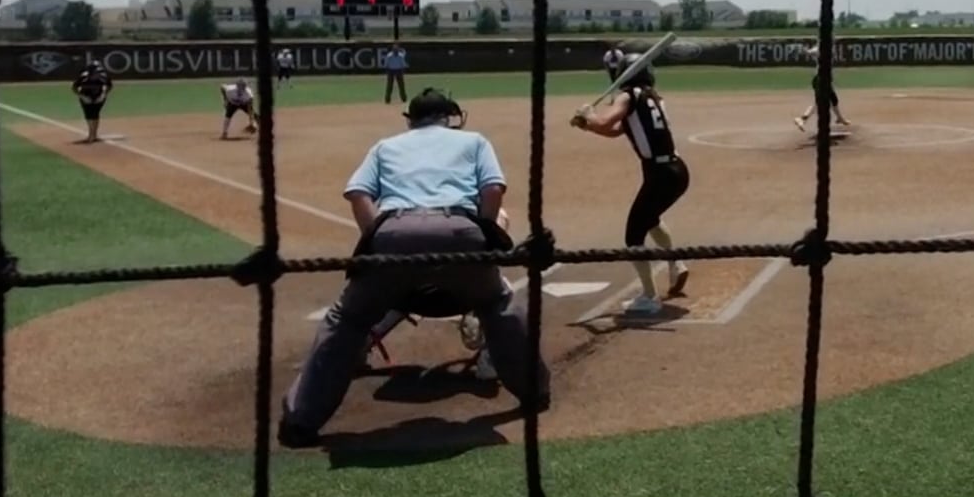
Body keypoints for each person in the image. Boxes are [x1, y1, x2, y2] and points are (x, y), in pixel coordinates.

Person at [277, 88, 550, 448]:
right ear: (449, 117)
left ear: (411, 120)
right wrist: (484, 242)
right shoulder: (473, 141)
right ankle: (534, 391)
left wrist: (376, 240)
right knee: (497, 304)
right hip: (459, 231)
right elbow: (493, 191)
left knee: (348, 319)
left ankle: (301, 420)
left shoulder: (385, 146)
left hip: (394, 232)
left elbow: (357, 194)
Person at [570, 66, 691, 320]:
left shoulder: (628, 97)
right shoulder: (652, 99)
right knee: (650, 219)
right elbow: (615, 130)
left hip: (661, 174)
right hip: (675, 170)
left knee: (633, 234)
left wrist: (589, 114)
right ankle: (676, 264)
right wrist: (588, 125)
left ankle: (649, 297)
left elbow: (605, 122)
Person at [794, 42, 849, 133]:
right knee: (821, 102)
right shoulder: (820, 49)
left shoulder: (826, 49)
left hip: (824, 79)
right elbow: (811, 52)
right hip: (820, 80)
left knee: (833, 99)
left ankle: (840, 118)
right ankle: (802, 119)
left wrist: (806, 51)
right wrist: (805, 51)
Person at [71, 60, 112, 144]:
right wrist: (82, 96)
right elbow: (74, 88)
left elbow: (109, 86)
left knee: (95, 114)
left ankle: (94, 135)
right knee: (89, 115)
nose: (97, 73)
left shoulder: (103, 77)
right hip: (86, 97)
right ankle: (91, 134)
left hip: (98, 97)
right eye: (95, 71)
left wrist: (103, 95)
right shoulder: (83, 77)